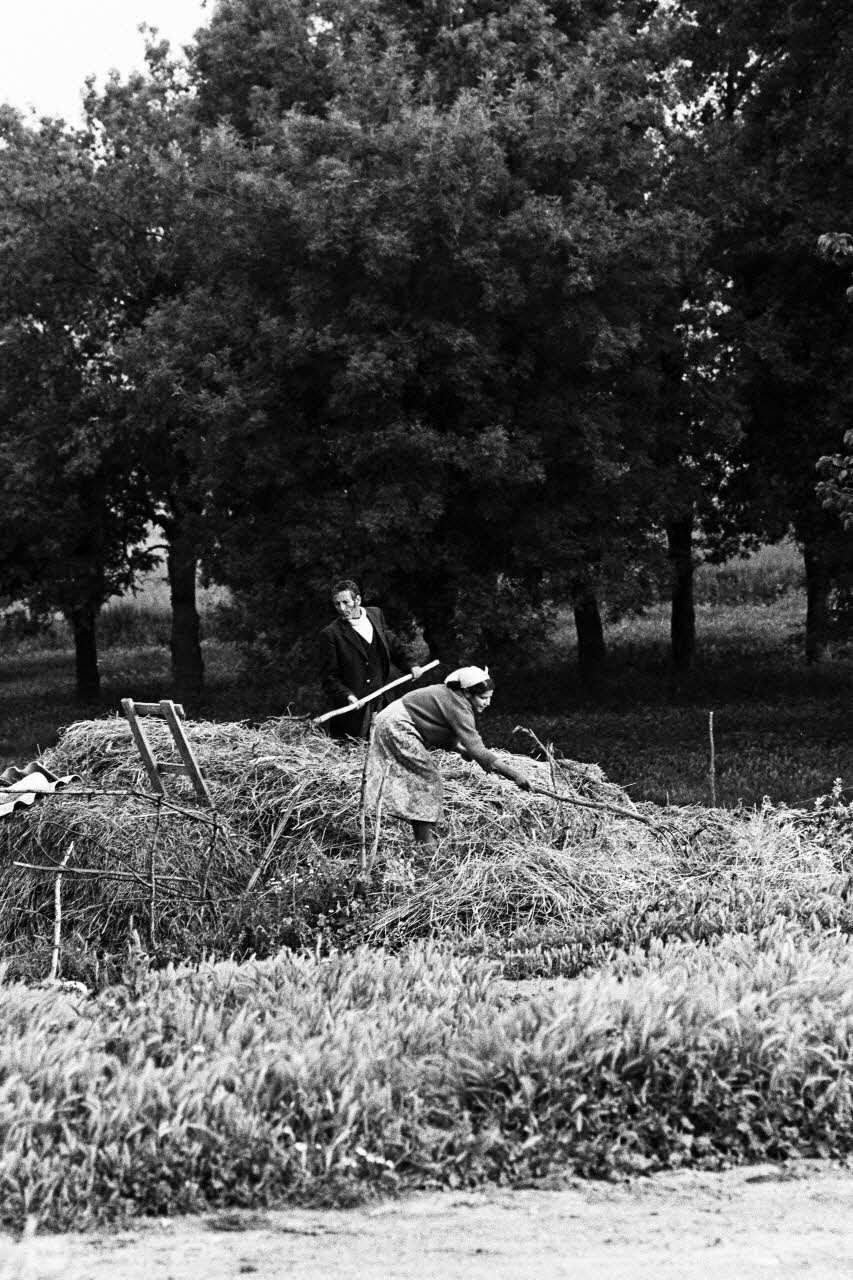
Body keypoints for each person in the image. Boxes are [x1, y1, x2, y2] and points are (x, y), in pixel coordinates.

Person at [363, 665, 531, 847]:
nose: (487, 703)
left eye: (490, 698)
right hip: (394, 725)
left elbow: (434, 725)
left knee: (422, 778)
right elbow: (477, 748)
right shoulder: (458, 705)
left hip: (392, 720)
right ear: (467, 693)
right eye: (483, 698)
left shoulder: (452, 696)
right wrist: (514, 775)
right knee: (427, 777)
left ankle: (422, 835)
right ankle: (425, 843)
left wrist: (460, 749)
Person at [318, 579, 427, 739]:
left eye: (345, 602)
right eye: (337, 604)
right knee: (355, 756)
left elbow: (393, 644)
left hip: (384, 701)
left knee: (390, 747)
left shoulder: (376, 615)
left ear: (358, 600)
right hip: (355, 713)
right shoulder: (330, 635)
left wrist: (411, 665)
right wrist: (348, 696)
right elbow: (329, 677)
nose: (342, 608)